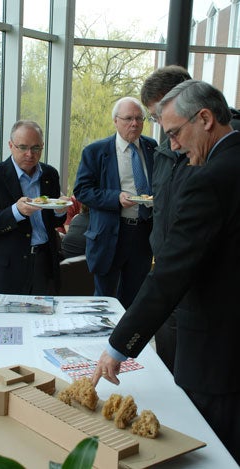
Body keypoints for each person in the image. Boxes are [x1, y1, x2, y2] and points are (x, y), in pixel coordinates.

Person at [92, 80, 240, 465]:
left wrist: (117, 346)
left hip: (217, 355)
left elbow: (172, 273)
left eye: (174, 133)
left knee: (213, 455)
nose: (172, 146)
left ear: (205, 118)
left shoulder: (210, 179)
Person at [73, 97, 158, 309]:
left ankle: (124, 342)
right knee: (103, 301)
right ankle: (100, 340)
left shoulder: (151, 147)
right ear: (115, 121)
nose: (135, 123)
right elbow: (82, 191)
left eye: (139, 118)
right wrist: (115, 198)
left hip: (143, 234)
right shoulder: (95, 152)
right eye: (128, 118)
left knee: (133, 300)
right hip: (110, 234)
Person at [0, 120, 67, 296]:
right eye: (23, 147)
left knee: (43, 321)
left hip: (44, 262)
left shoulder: (50, 174)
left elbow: (53, 221)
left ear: (42, 146)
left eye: (36, 148)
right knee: (5, 322)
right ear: (11, 145)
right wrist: (16, 212)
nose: (29, 154)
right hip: (7, 268)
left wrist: (59, 210)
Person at [140, 65, 193, 373]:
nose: (160, 127)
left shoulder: (221, 147)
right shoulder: (163, 150)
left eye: (159, 115)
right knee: (166, 364)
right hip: (166, 273)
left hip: (201, 287)